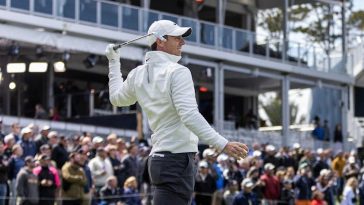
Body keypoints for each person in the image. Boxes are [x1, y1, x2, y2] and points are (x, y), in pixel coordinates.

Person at [105, 19, 249, 205]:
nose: (183, 42)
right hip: (176, 161)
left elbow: (116, 98)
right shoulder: (178, 71)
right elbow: (189, 115)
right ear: (160, 40)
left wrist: (113, 62)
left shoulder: (137, 74)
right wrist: (222, 144)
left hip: (161, 160)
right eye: (177, 38)